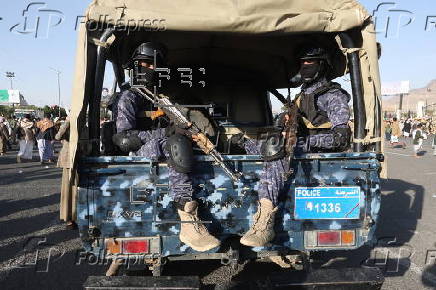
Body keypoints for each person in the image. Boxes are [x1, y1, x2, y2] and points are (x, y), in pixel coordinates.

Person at [232, 44, 352, 247]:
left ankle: (264, 221)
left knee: (277, 148)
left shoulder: (332, 96)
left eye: (309, 63)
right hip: (293, 144)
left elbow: (341, 138)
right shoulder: (302, 95)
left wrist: (302, 142)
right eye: (301, 63)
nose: (304, 67)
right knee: (244, 143)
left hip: (310, 148)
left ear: (322, 65)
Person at [112, 42, 220, 252]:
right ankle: (188, 221)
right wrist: (166, 133)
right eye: (144, 64)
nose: (148, 69)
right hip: (142, 149)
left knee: (189, 141)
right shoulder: (129, 96)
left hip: (164, 145)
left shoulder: (158, 97)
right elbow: (124, 139)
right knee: (176, 142)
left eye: (153, 66)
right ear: (134, 66)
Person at [55, 117, 77, 229]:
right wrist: (68, 122)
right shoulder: (67, 125)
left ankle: (75, 216)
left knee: (77, 190)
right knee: (68, 190)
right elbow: (58, 136)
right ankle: (68, 218)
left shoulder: (83, 124)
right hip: (69, 161)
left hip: (80, 159)